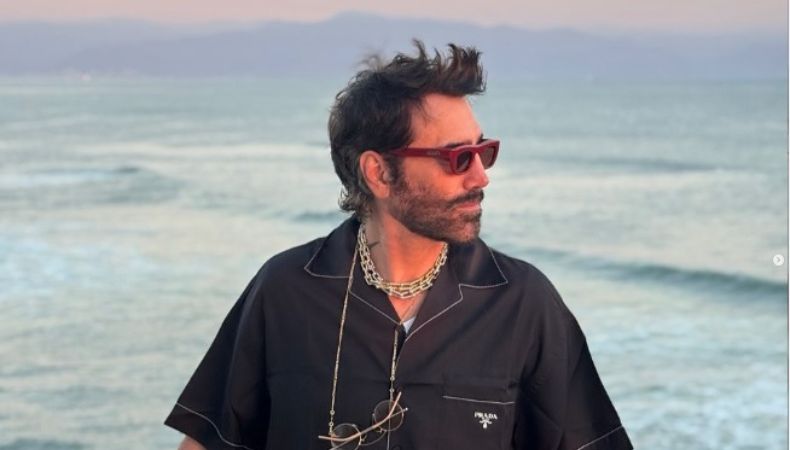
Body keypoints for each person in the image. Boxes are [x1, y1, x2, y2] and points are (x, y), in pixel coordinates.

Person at [164, 41, 633, 450]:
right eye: (458, 157)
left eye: (483, 151)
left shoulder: (522, 303)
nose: (480, 176)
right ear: (379, 172)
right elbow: (207, 441)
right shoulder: (285, 290)